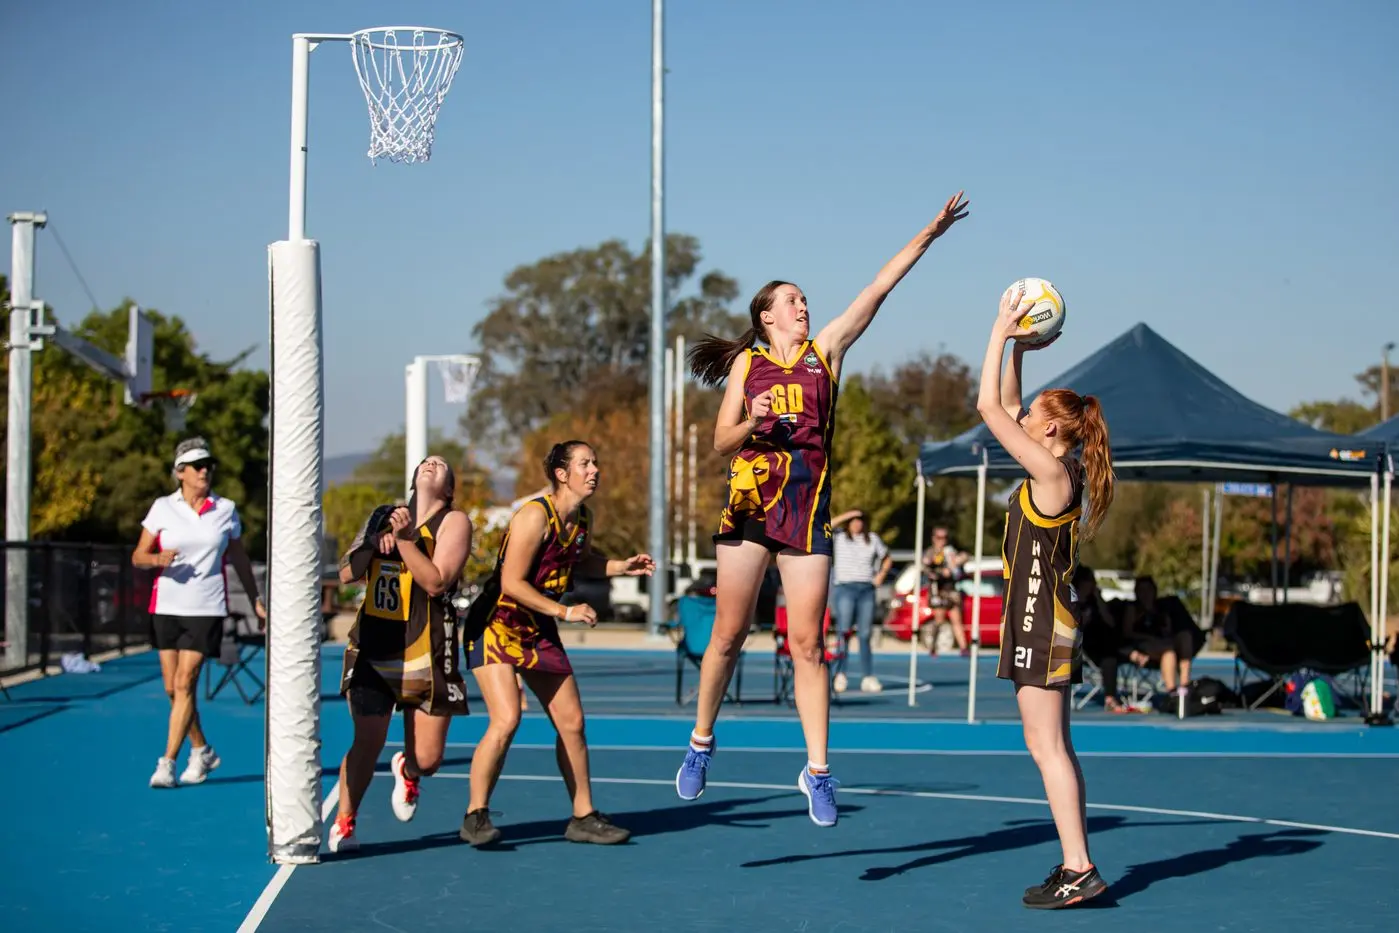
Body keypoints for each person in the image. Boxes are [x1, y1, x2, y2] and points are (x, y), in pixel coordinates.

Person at [675, 191, 971, 827]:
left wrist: (930, 233)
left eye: (805, 298)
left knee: (808, 645)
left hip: (807, 510)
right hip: (751, 506)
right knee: (728, 634)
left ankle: (817, 772)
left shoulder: (826, 352)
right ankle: (701, 743)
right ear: (766, 315)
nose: (803, 305)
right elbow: (721, 442)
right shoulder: (746, 367)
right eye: (791, 300)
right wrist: (751, 420)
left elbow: (876, 289)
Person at [975, 283, 1115, 908]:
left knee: (1046, 746)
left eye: (1032, 415)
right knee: (1054, 745)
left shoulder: (1055, 474)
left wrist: (1001, 330)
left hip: (1040, 619)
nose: (1021, 417)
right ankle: (1076, 862)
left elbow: (987, 407)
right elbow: (1006, 401)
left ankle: (1079, 866)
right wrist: (1022, 351)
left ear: (1052, 428)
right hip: (1042, 616)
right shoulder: (1059, 469)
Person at [460, 440, 655, 847]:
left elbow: (579, 560)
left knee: (572, 723)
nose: (595, 470)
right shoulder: (534, 515)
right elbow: (512, 583)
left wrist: (621, 566)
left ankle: (583, 816)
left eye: (596, 462)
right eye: (585, 463)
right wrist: (565, 612)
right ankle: (475, 815)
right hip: (496, 622)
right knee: (506, 719)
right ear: (562, 474)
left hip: (537, 627)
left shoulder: (583, 518)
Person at [329, 454, 473, 853]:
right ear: (413, 477)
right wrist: (376, 542)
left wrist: (407, 542)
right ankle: (345, 820)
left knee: (427, 760)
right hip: (374, 645)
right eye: (426, 461)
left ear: (448, 488)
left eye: (441, 465)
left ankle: (407, 769)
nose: (431, 464)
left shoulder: (454, 522)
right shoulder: (383, 515)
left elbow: (436, 582)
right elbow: (346, 572)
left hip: (427, 647)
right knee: (367, 739)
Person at [133, 437, 265, 789]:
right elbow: (138, 555)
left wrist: (255, 598)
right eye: (198, 466)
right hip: (166, 606)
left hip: (206, 607)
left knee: (185, 682)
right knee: (172, 690)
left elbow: (237, 558)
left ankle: (167, 763)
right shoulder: (163, 507)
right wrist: (156, 559)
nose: (205, 470)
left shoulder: (225, 509)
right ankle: (201, 748)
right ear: (181, 472)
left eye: (209, 465)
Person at [830, 509, 892, 693]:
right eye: (853, 520)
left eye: (860, 520)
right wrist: (847, 514)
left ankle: (867, 676)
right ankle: (840, 674)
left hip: (866, 589)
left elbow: (887, 558)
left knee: (865, 634)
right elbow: (828, 525)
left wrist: (881, 575)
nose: (857, 523)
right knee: (844, 632)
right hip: (845, 588)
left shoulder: (872, 539)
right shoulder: (840, 538)